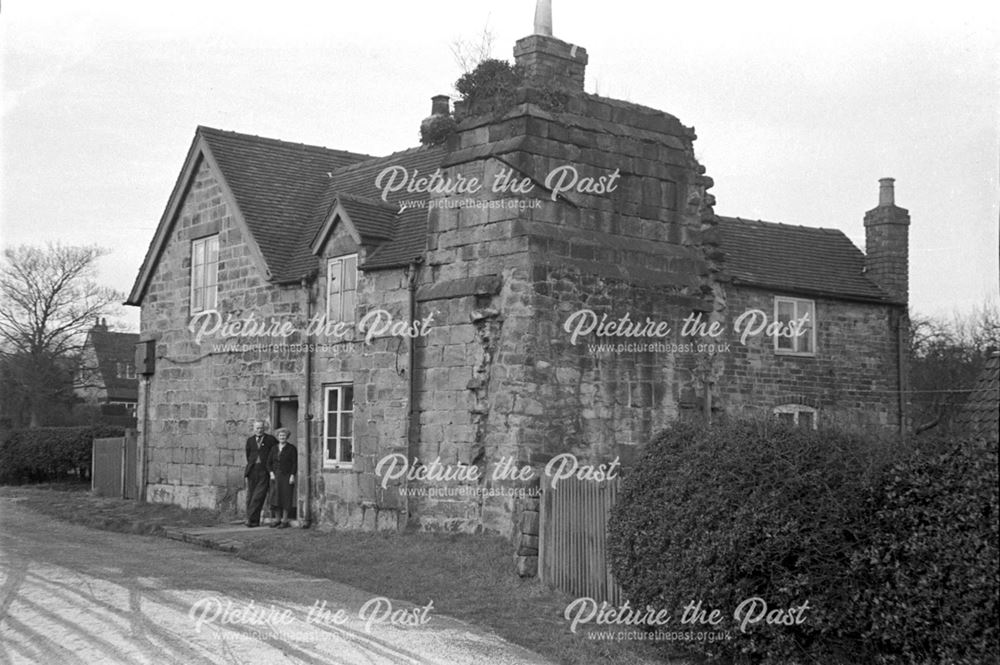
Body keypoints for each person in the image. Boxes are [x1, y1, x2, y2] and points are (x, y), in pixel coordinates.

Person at [244, 420, 277, 527]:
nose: (259, 430)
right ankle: (254, 520)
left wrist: (271, 468)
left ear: (264, 428)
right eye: (257, 428)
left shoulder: (270, 439)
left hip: (264, 470)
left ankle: (250, 519)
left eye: (261, 428)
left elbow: (275, 453)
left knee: (259, 495)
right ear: (253, 429)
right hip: (252, 470)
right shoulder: (250, 440)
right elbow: (248, 455)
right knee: (251, 495)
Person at [268, 428, 297, 529]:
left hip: (287, 476)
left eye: (284, 436)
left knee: (286, 497)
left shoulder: (291, 448)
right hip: (275, 476)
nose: (282, 437)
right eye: (280, 436)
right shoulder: (273, 448)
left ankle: (284, 520)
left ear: (287, 437)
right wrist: (271, 473)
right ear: (277, 437)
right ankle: (277, 519)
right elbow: (269, 463)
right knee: (275, 497)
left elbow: (294, 463)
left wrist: (292, 475)